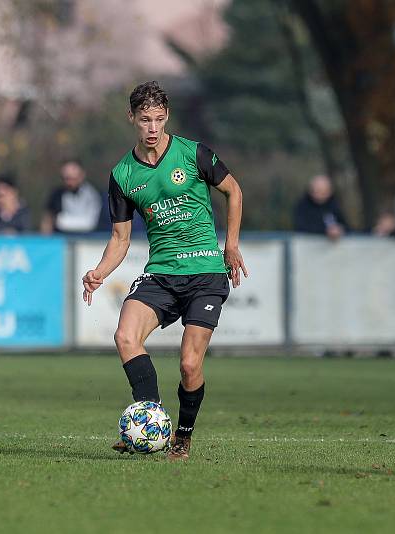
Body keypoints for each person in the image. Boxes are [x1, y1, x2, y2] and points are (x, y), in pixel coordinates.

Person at [81, 81, 248, 461]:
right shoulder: (123, 174)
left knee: (190, 365)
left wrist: (231, 245)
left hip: (205, 274)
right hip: (161, 274)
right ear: (132, 119)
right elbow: (120, 239)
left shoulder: (193, 154)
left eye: (158, 119)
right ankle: (150, 418)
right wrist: (100, 272)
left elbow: (233, 191)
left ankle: (183, 437)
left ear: (167, 116)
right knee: (125, 336)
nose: (152, 127)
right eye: (145, 120)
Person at [41, 159, 102, 234]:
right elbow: (48, 221)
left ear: (82, 176)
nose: (70, 183)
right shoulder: (56, 195)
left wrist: (60, 221)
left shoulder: (93, 194)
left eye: (73, 179)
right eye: (66, 179)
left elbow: (91, 223)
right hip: (61, 239)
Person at [294, 175, 348, 240]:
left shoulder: (334, 205)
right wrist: (326, 231)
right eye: (317, 191)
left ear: (330, 191)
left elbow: (346, 226)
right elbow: (302, 228)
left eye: (324, 192)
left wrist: (340, 229)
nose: (319, 195)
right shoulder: (302, 206)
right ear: (311, 190)